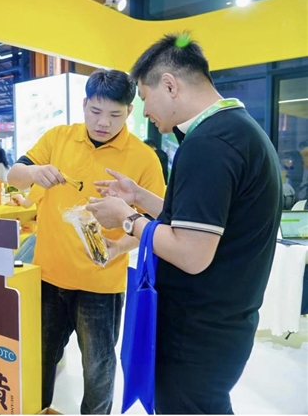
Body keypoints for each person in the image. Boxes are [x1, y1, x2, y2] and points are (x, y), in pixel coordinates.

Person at [86, 33, 282, 414]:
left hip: (196, 332)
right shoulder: (238, 131)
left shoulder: (209, 144)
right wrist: (139, 197)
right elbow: (201, 224)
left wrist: (127, 219)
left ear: (170, 85)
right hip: (220, 325)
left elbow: (192, 253)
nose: (145, 112)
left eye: (145, 98)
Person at [7, 68, 165, 414]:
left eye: (115, 115)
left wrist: (119, 246)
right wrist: (34, 172)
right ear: (84, 105)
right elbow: (14, 175)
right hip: (49, 277)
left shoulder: (143, 158)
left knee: (98, 370)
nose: (103, 122)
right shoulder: (58, 138)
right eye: (95, 111)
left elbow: (156, 223)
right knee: (40, 360)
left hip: (101, 285)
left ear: (130, 111)